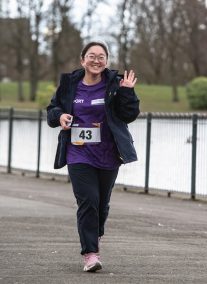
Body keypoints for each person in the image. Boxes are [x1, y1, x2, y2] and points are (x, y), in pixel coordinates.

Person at [46, 40, 140, 272]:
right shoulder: (69, 84)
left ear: (106, 61)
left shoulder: (116, 84)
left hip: (108, 153)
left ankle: (94, 235)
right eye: (92, 56)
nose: (96, 60)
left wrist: (127, 92)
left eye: (101, 57)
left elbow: (129, 116)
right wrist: (60, 117)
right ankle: (90, 254)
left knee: (101, 203)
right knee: (88, 201)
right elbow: (51, 111)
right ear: (83, 60)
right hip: (78, 153)